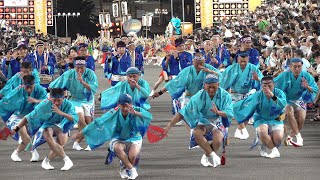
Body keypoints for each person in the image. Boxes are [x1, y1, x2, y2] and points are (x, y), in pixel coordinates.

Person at [163, 74, 233, 168]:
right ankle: (213, 155)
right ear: (204, 85)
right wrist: (168, 126)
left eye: (214, 87)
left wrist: (219, 112)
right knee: (197, 132)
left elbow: (229, 113)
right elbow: (182, 113)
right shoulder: (198, 97)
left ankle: (206, 156)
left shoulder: (225, 95)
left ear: (218, 85)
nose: (211, 90)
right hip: (202, 119)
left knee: (218, 140)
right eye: (209, 87)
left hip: (217, 119)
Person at [78, 94, 152, 179]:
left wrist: (136, 113)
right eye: (122, 105)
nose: (125, 108)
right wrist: (84, 131)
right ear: (118, 104)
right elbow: (100, 121)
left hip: (134, 138)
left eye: (127, 105)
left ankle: (124, 167)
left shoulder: (136, 109)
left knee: (132, 156)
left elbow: (149, 116)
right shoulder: (113, 112)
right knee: (118, 148)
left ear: (131, 104)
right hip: (119, 138)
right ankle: (131, 170)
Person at [11, 88, 78, 171]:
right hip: (48, 123)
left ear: (64, 98)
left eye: (59, 101)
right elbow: (27, 117)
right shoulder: (43, 105)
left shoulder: (69, 104)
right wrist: (16, 129)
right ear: (49, 97)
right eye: (54, 100)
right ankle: (67, 160)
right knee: (49, 138)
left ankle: (46, 161)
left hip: (62, 123)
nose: (56, 103)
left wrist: (61, 113)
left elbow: (74, 118)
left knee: (61, 145)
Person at [152, 50, 221, 122]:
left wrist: (210, 72)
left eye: (201, 63)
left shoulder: (209, 68)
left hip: (205, 98)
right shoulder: (187, 71)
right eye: (197, 63)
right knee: (186, 118)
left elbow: (221, 76)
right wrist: (160, 92)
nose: (199, 65)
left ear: (205, 61)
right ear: (192, 62)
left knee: (207, 120)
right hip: (190, 97)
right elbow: (173, 83)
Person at [49, 56, 98, 151]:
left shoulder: (91, 74)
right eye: (77, 67)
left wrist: (82, 82)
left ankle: (76, 142)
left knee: (89, 121)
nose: (79, 69)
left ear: (85, 66)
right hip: (75, 100)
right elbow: (53, 86)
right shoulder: (69, 74)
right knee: (81, 120)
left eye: (82, 67)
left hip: (88, 100)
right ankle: (90, 141)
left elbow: (93, 89)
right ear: (74, 66)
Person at [233, 76, 287, 158]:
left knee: (278, 139)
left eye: (269, 86)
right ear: (261, 86)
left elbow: (282, 104)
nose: (267, 88)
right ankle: (274, 150)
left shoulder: (279, 93)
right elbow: (245, 103)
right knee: (262, 132)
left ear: (274, 85)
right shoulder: (258, 95)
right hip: (261, 118)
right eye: (264, 86)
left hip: (277, 117)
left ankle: (265, 143)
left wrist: (272, 96)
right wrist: (230, 108)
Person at [0, 75, 47, 162]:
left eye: (31, 87)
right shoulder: (18, 90)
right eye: (26, 87)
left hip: (33, 116)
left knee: (30, 137)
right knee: (23, 131)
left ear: (34, 84)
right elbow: (5, 100)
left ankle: (16, 152)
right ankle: (33, 151)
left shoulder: (39, 89)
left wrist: (36, 100)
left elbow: (48, 100)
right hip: (18, 115)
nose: (29, 90)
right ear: (23, 85)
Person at [274, 58, 318, 147]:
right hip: (286, 99)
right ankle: (299, 137)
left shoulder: (306, 76)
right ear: (290, 67)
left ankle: (290, 137)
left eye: (299, 66)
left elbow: (315, 89)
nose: (297, 69)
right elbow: (273, 85)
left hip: (299, 99)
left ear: (302, 67)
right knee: (290, 112)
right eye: (294, 67)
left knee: (301, 119)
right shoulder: (284, 75)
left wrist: (308, 87)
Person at [220, 51, 263, 140]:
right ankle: (243, 128)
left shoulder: (253, 68)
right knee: (234, 109)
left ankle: (239, 129)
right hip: (234, 93)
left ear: (248, 60)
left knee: (246, 114)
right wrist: (223, 92)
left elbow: (263, 80)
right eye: (241, 61)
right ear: (237, 60)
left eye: (245, 61)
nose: (243, 63)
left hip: (247, 93)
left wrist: (257, 79)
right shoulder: (231, 68)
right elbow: (223, 80)